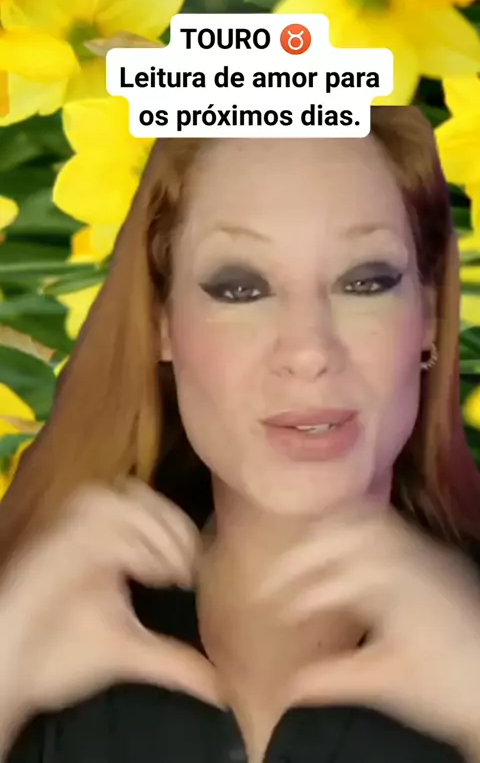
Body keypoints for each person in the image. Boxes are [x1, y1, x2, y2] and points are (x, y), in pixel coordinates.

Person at [1, 106, 480, 763]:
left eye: (365, 281)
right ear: (162, 322)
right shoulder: (44, 619)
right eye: (241, 288)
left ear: (428, 318)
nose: (308, 350)